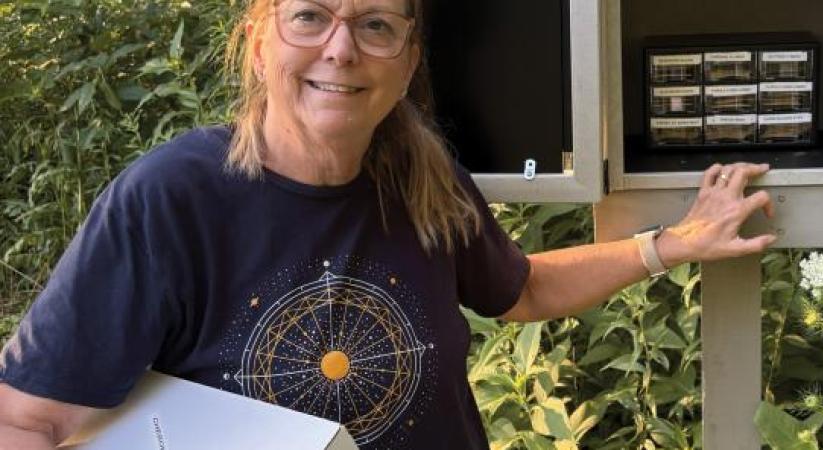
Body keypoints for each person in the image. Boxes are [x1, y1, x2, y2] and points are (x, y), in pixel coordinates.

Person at [0, 0, 776, 448]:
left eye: (375, 25)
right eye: (311, 16)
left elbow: (523, 290)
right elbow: (27, 418)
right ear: (258, 37)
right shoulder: (170, 200)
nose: (341, 49)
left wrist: (672, 244)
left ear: (406, 62)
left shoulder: (425, 182)